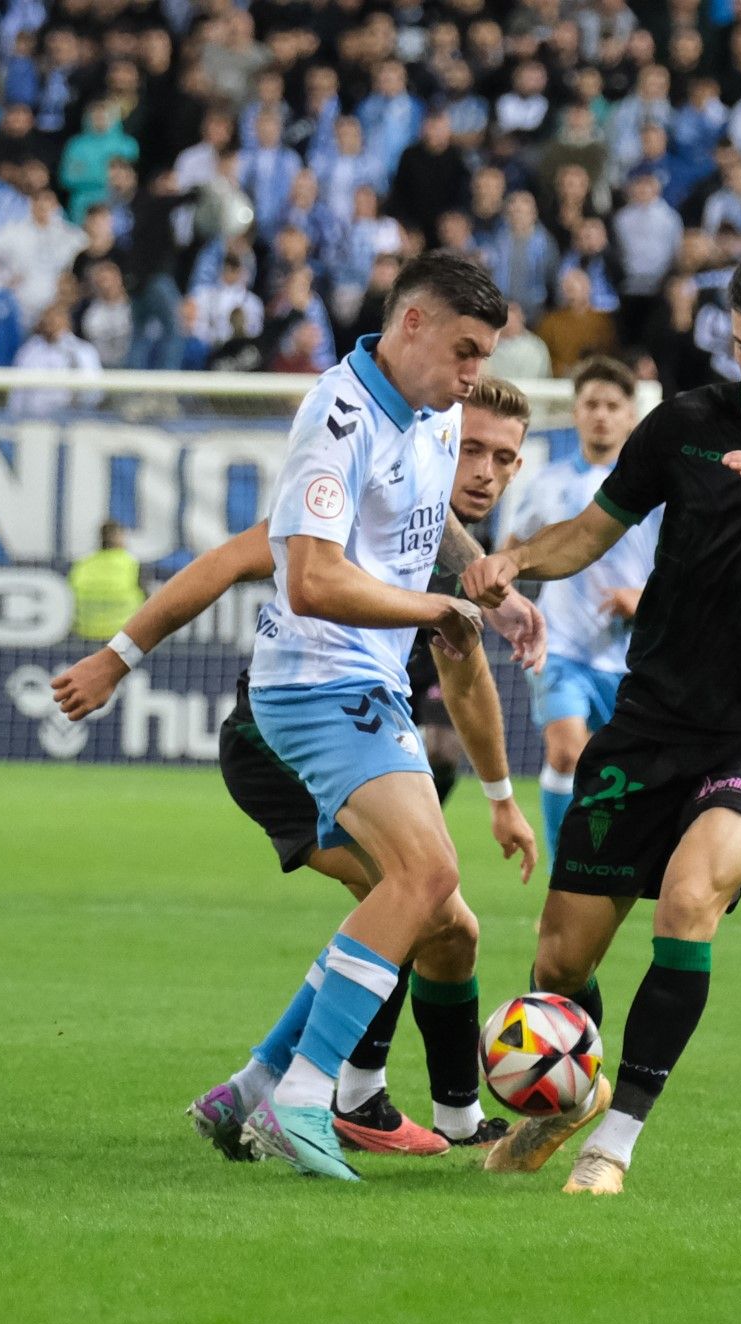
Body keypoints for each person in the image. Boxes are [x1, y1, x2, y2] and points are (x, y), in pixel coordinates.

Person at [462, 251, 741, 1195]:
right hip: (648, 723)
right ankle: (574, 1096)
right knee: (559, 959)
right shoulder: (684, 423)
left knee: (688, 897)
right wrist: (515, 561)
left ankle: (613, 1143)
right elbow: (592, 530)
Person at [52, 379, 546, 1159]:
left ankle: (409, 1109)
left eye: (503, 457)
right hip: (277, 743)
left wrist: (501, 797)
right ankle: (342, 1096)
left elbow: (466, 680)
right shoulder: (344, 507)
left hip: (351, 731)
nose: (484, 470)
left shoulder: (443, 551)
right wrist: (116, 657)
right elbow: (225, 561)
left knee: (448, 923)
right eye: (471, 448)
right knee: (414, 895)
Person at [186, 252, 512, 1181]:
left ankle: (256, 1083)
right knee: (426, 874)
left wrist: (483, 579)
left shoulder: (434, 409)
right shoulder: (337, 416)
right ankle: (308, 1097)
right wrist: (438, 608)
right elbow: (312, 579)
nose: (471, 375)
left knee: (428, 904)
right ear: (410, 323)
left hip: (369, 686)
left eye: (483, 357)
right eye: (462, 350)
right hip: (316, 680)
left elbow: (429, 524)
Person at [502, 356, 659, 868]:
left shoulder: (656, 490)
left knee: (626, 772)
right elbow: (508, 553)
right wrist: (506, 604)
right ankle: (561, 874)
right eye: (591, 404)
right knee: (566, 753)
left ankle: (611, 865)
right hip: (562, 646)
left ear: (631, 416)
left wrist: (643, 597)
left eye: (613, 405)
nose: (601, 415)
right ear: (575, 413)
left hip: (630, 656)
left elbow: (685, 572)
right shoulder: (547, 483)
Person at [66, 520, 144, 641]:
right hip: (122, 636)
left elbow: (68, 597)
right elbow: (150, 599)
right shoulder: (131, 563)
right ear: (119, 537)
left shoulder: (83, 564)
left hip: (86, 633)